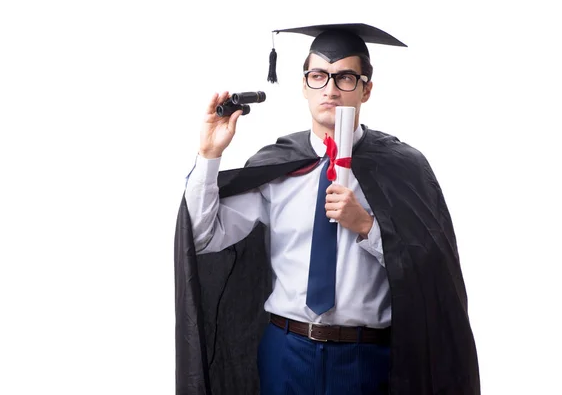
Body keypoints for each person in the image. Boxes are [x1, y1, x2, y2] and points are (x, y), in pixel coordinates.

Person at [174, 23, 480, 395]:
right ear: (304, 86)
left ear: (366, 89)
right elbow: (202, 237)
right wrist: (210, 154)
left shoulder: (403, 167)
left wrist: (367, 226)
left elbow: (433, 273)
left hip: (366, 357)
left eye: (346, 78)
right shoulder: (276, 165)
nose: (331, 89)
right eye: (318, 76)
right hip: (286, 351)